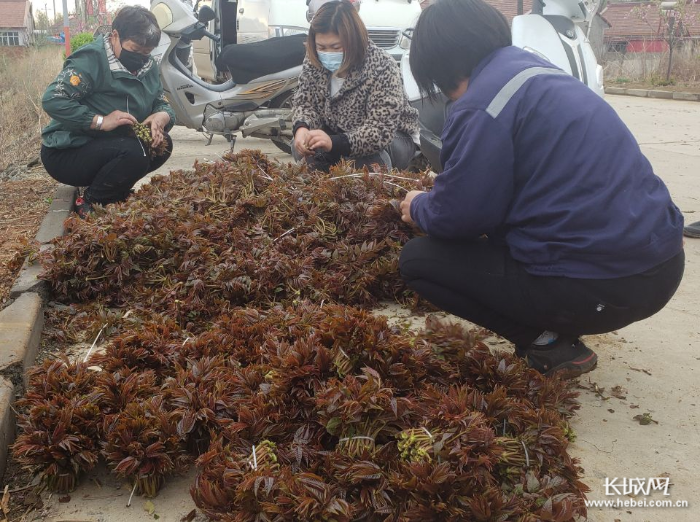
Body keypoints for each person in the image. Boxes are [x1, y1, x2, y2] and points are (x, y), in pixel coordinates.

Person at [399, 0, 685, 378]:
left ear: (436, 64)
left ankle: (547, 341)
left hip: (604, 288)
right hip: (663, 267)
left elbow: (459, 219)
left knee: (419, 260)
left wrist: (418, 205)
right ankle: (559, 317)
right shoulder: (540, 73)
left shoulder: (482, 104)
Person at [40, 6, 175, 218]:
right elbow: (53, 99)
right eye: (135, 49)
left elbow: (161, 102)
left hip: (113, 146)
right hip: (69, 151)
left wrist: (161, 116)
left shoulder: (147, 66)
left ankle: (113, 192)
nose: (141, 57)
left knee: (161, 145)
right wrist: (100, 121)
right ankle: (91, 201)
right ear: (115, 36)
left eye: (146, 52)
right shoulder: (91, 61)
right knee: (135, 153)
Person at [292, 0, 419, 172]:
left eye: (336, 47)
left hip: (393, 138)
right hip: (339, 133)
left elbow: (380, 131)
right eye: (321, 47)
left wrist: (334, 143)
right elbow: (305, 103)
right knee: (301, 146)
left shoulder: (381, 66)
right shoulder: (313, 61)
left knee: (369, 162)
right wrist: (302, 128)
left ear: (353, 41)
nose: (327, 54)